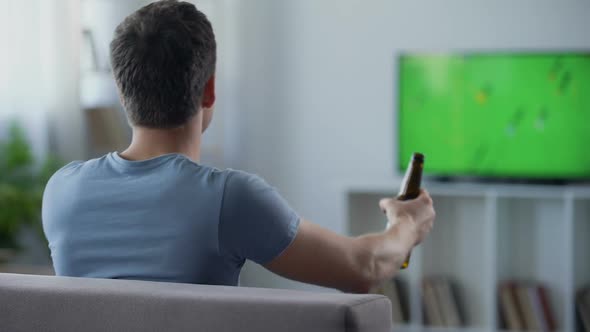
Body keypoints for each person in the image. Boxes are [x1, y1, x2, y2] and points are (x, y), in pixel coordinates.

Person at [42, 0, 435, 293]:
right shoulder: (229, 198)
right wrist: (407, 224)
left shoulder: (62, 191)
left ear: (122, 91)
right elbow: (361, 267)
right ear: (209, 90)